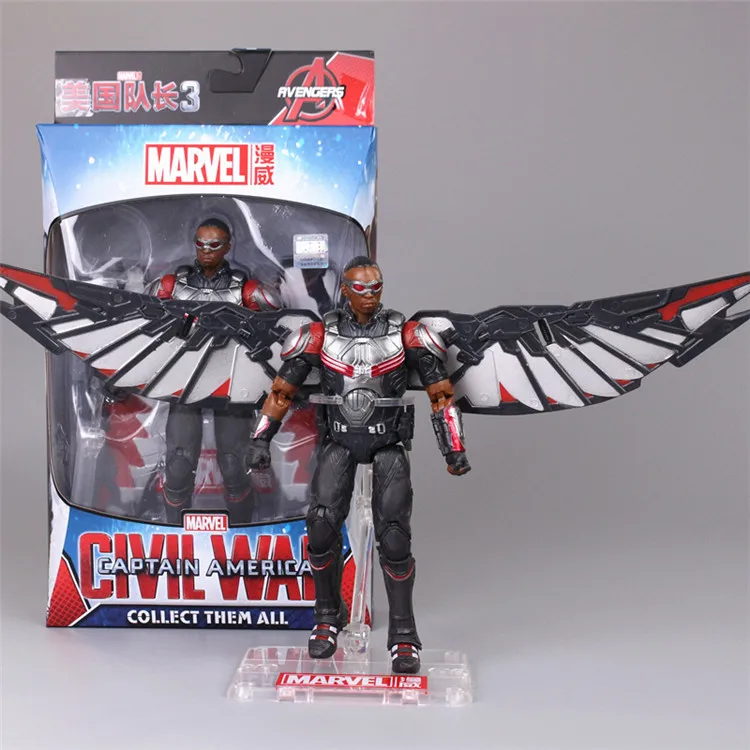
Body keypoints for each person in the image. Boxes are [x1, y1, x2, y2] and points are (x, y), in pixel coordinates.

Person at [246, 256, 470, 673]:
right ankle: (326, 617)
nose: (370, 295)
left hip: (388, 444)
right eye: (361, 288)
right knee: (321, 526)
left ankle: (403, 635)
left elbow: (441, 394)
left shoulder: (407, 334)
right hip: (339, 442)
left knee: (395, 539)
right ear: (345, 290)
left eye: (376, 286)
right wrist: (261, 438)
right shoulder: (319, 335)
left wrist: (453, 448)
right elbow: (281, 391)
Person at [150, 218, 282, 524]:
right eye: (200, 244)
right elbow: (144, 328)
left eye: (214, 245)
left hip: (230, 383)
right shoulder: (171, 286)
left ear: (227, 247)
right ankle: (175, 530)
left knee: (235, 465)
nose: (206, 250)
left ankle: (242, 529)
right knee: (179, 466)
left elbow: (279, 331)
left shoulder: (246, 290)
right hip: (184, 381)